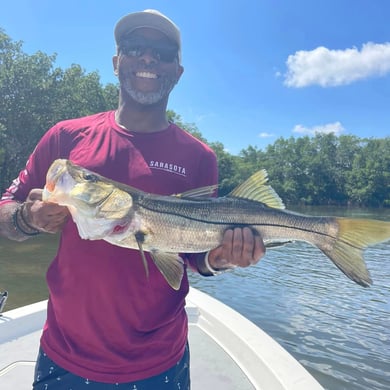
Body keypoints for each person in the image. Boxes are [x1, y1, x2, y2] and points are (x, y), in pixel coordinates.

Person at [0, 9, 265, 389]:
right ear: (115, 61)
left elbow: (192, 257)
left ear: (178, 71)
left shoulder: (199, 157)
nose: (147, 58)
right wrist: (27, 218)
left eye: (162, 52)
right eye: (135, 47)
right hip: (65, 354)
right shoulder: (65, 138)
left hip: (160, 362)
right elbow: (4, 211)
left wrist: (221, 259)